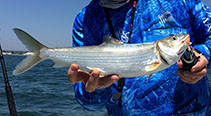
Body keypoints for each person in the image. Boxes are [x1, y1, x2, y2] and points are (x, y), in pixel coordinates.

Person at [68, 0, 211, 115]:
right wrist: (95, 90)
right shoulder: (85, 20)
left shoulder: (179, 2)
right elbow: (89, 104)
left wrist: (203, 53)